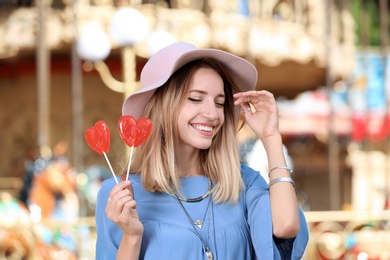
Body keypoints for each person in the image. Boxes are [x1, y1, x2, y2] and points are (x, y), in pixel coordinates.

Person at [95, 42, 309, 259]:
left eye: (219, 103)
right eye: (196, 99)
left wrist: (271, 137)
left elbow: (286, 227)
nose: (212, 114)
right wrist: (132, 235)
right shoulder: (121, 194)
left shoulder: (242, 183)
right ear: (163, 105)